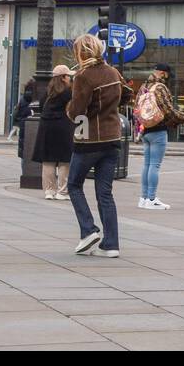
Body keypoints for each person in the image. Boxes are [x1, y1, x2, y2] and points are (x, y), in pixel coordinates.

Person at [66, 34, 131, 256]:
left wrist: (70, 108)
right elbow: (127, 94)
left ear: (80, 52)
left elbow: (77, 111)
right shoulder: (113, 72)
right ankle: (111, 245)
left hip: (90, 138)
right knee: (105, 193)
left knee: (74, 184)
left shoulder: (83, 76)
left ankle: (88, 230)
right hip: (112, 138)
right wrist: (110, 108)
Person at [32, 65, 75, 200]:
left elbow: (40, 106)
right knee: (64, 160)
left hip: (46, 127)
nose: (70, 78)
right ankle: (62, 191)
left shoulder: (48, 91)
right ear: (63, 78)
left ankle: (49, 191)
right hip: (63, 127)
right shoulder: (69, 92)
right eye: (68, 76)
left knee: (48, 160)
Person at [136, 63, 175, 210]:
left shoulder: (144, 86)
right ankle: (151, 199)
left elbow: (137, 108)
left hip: (146, 129)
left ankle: (144, 198)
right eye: (167, 74)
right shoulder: (160, 87)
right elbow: (168, 109)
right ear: (163, 73)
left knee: (147, 165)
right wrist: (180, 118)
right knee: (155, 165)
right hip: (158, 130)